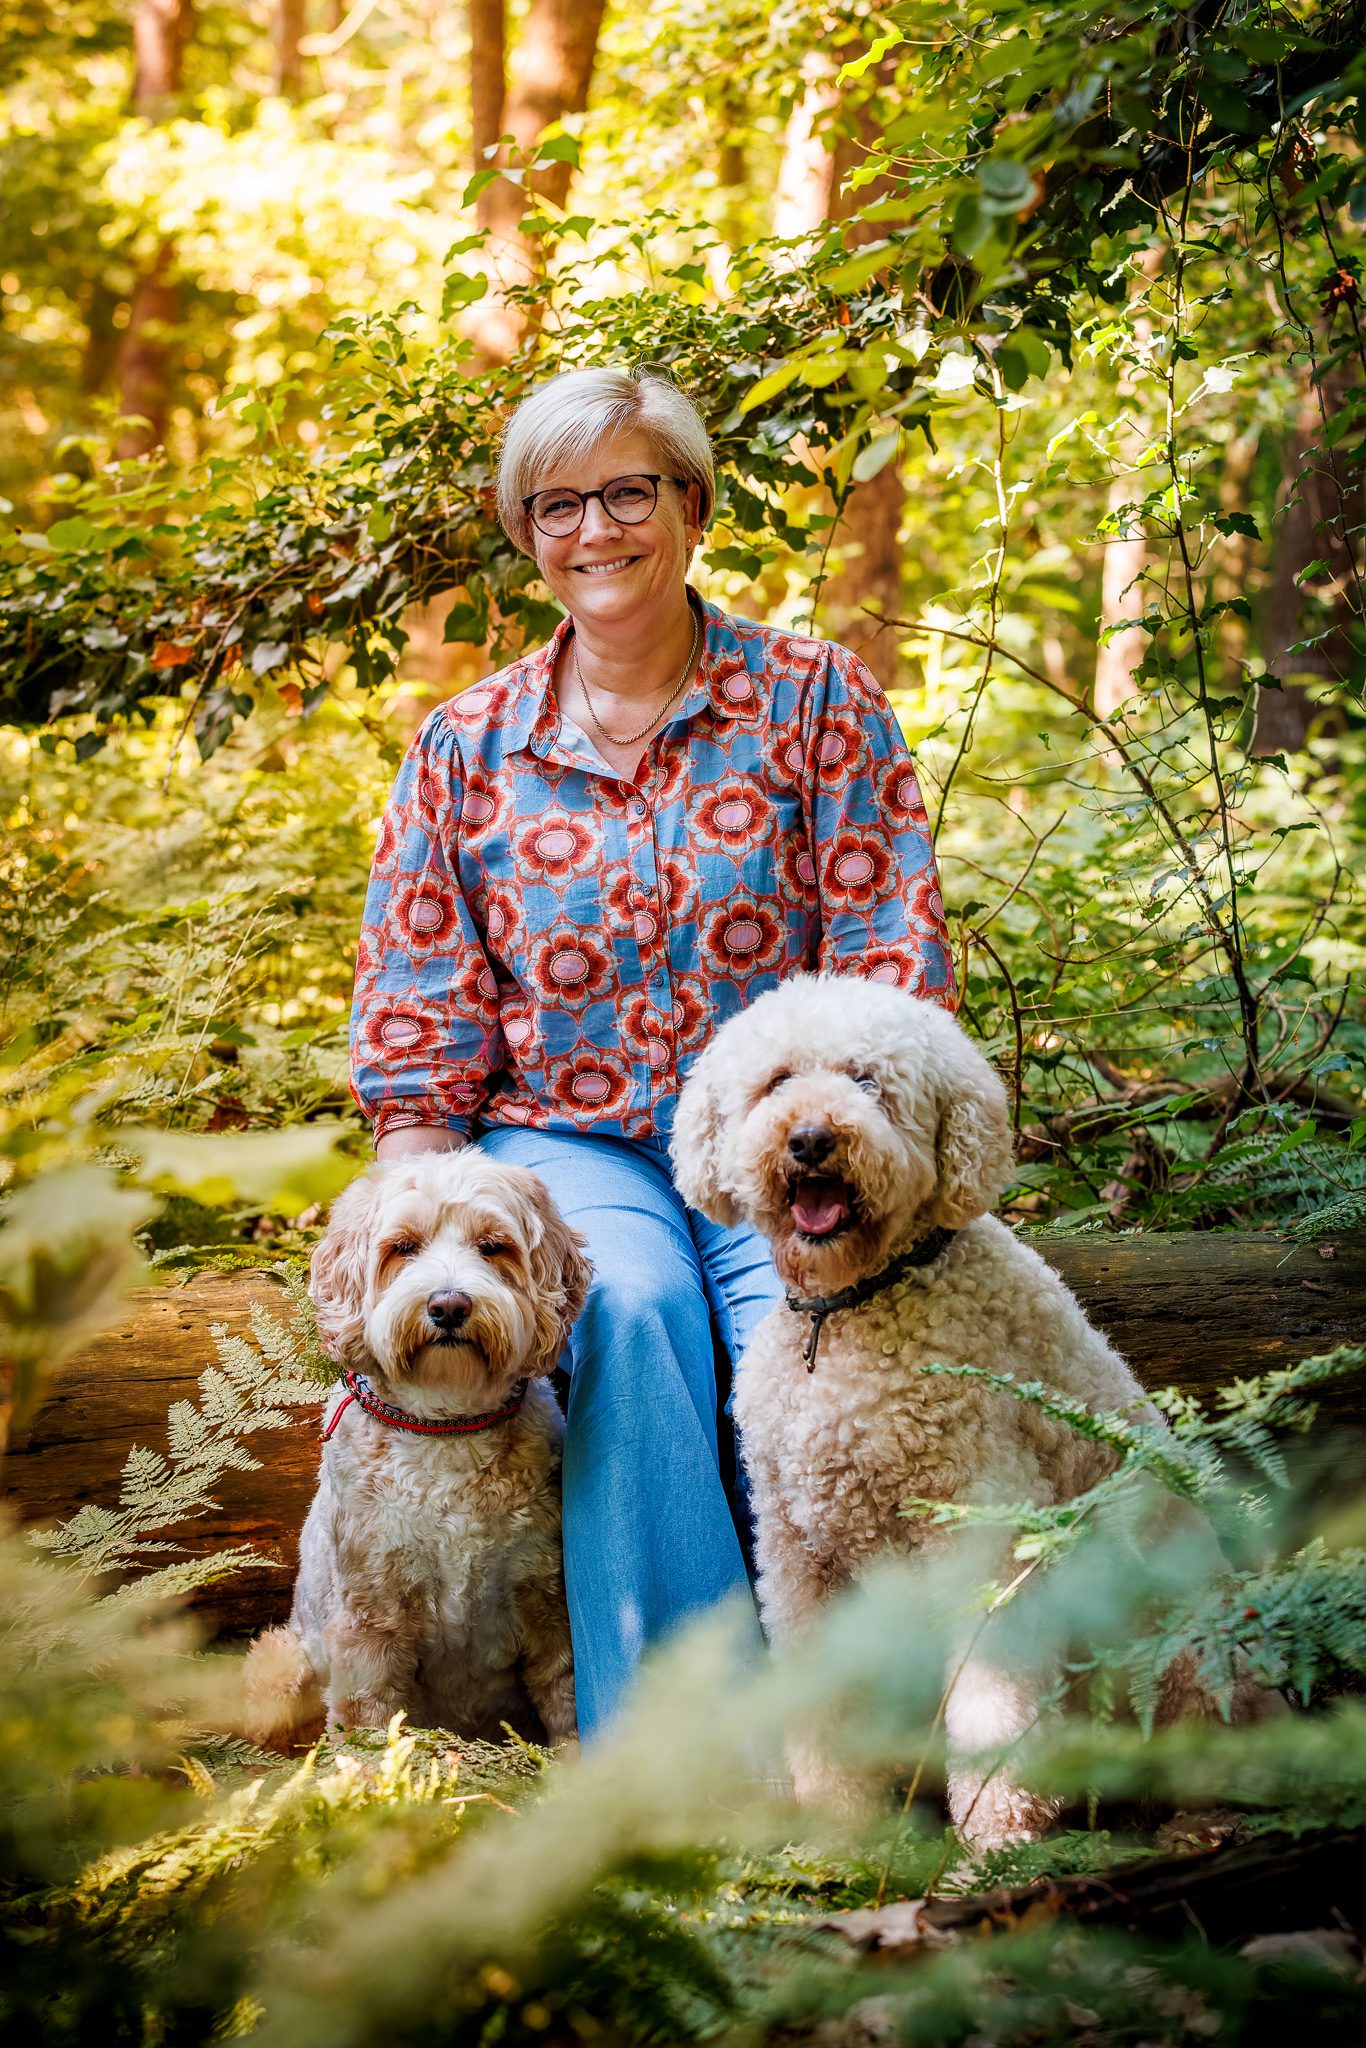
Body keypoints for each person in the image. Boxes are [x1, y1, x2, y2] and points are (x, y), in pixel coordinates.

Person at [349, 366, 955, 1737]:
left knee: (806, 1324)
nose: (594, 530)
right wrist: (410, 1225)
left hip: (785, 1141)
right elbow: (420, 1002)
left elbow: (890, 960)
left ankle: (885, 1734)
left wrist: (879, 1158)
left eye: (627, 492)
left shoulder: (814, 700)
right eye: (556, 505)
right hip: (569, 1140)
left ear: (691, 504)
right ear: (527, 536)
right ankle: (687, 1746)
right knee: (625, 1308)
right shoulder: (467, 746)